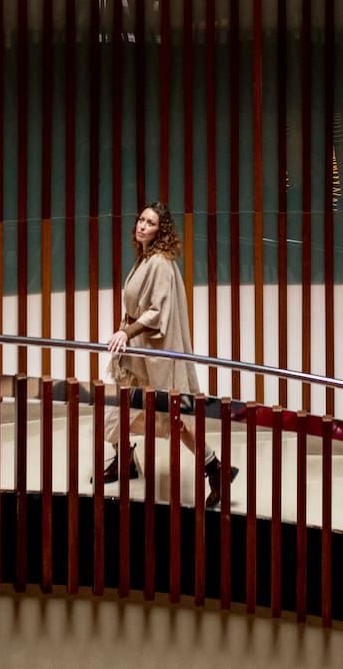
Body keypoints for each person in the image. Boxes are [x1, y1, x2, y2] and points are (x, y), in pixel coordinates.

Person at [98, 202, 237, 509]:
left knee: (173, 419)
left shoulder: (159, 263)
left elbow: (156, 312)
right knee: (114, 407)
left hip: (151, 357)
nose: (143, 225)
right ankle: (126, 460)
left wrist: (127, 332)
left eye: (150, 222)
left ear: (161, 231)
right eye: (141, 220)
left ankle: (216, 468)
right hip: (136, 356)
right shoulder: (145, 259)